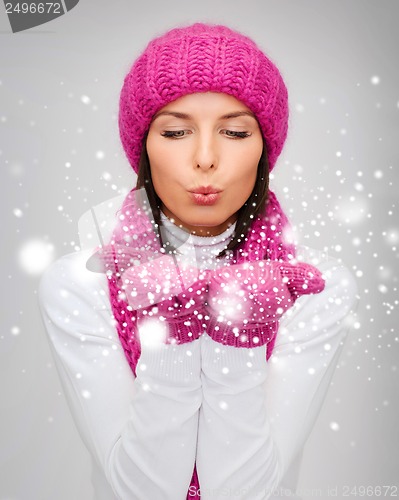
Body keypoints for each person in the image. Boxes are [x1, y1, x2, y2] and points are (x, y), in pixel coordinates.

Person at [38, 23, 358, 500]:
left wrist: (239, 338)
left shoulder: (313, 288)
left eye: (233, 131)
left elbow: (245, 492)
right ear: (143, 144)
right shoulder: (80, 284)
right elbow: (142, 491)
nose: (205, 157)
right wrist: (168, 335)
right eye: (175, 130)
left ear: (264, 150)